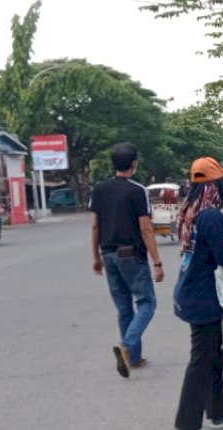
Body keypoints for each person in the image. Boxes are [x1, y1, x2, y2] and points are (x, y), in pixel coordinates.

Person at [170, 156, 223, 430]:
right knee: (202, 360)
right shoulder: (211, 216)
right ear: (217, 183)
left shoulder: (191, 210)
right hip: (202, 297)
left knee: (212, 356)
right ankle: (186, 425)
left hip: (191, 292)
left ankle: (219, 412)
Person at [89, 142, 164, 378]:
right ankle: (127, 346)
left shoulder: (99, 189)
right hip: (131, 255)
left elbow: (94, 226)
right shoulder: (137, 190)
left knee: (124, 307)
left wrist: (96, 257)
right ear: (134, 163)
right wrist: (157, 262)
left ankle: (132, 357)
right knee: (147, 303)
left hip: (108, 254)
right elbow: (146, 227)